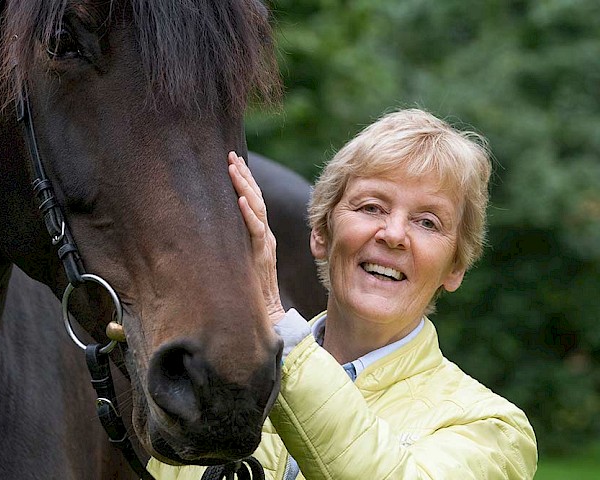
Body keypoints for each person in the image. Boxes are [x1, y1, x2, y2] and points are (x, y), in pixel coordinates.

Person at [148, 108, 538, 479]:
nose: (394, 234)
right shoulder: (220, 383)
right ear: (321, 233)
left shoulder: (493, 428)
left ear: (456, 267)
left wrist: (273, 315)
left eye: (427, 222)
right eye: (371, 207)